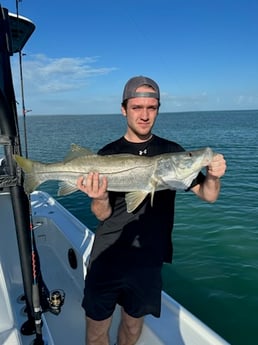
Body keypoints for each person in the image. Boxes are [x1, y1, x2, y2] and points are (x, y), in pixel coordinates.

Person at [77, 76, 227, 345]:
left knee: (133, 328)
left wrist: (213, 177)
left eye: (152, 108)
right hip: (108, 255)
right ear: (124, 109)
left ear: (158, 109)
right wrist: (99, 197)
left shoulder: (172, 153)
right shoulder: (107, 154)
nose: (144, 115)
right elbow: (101, 214)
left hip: (148, 259)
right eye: (137, 107)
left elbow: (208, 195)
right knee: (97, 330)